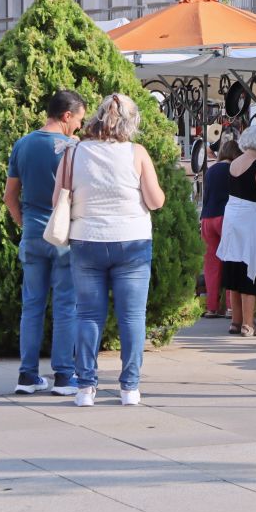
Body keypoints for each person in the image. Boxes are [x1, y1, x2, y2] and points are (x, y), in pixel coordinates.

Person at [57, 94, 165, 407]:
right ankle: (129, 388)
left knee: (88, 315)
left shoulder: (74, 151)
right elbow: (156, 201)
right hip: (131, 239)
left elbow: (57, 200)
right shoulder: (137, 153)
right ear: (132, 123)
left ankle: (85, 388)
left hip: (86, 239)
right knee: (132, 317)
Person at [5, 90, 86, 396]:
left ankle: (27, 376)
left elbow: (9, 196)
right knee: (67, 306)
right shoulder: (73, 148)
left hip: (33, 235)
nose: (78, 126)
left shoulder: (23, 144)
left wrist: (26, 224)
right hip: (64, 236)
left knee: (32, 306)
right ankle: (64, 376)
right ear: (67, 115)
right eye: (78, 119)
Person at [217, 125, 256, 337]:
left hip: (232, 217)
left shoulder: (234, 163)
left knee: (234, 267)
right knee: (251, 270)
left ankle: (236, 321)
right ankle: (249, 324)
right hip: (252, 219)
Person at [200, 140, 240, 318]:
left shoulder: (211, 170)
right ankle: (231, 307)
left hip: (207, 218)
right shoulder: (235, 169)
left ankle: (212, 307)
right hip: (226, 217)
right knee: (232, 261)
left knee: (211, 264)